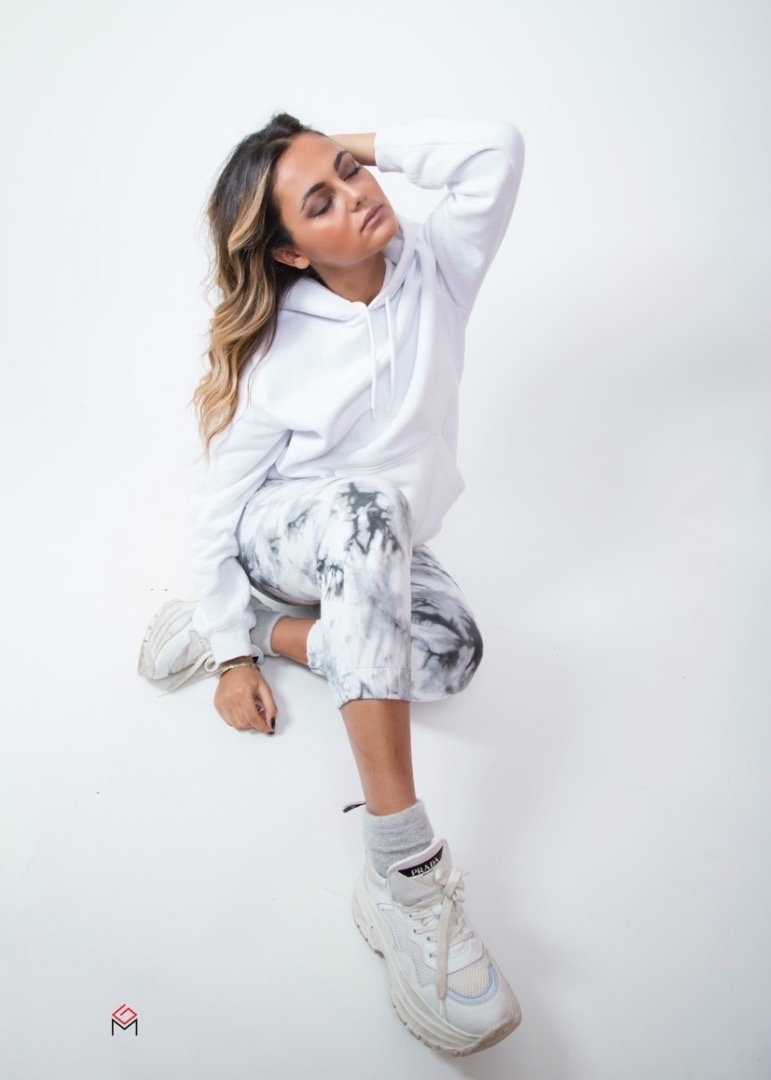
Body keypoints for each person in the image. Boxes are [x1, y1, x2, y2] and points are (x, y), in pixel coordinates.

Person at [138, 112, 525, 1056]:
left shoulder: (438, 267)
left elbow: (495, 150)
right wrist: (230, 667)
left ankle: (262, 628)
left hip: (379, 547)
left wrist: (349, 140)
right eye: (322, 200)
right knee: (367, 503)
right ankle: (401, 872)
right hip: (286, 532)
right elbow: (216, 506)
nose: (358, 195)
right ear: (290, 251)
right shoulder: (279, 351)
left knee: (451, 656)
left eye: (351, 172)